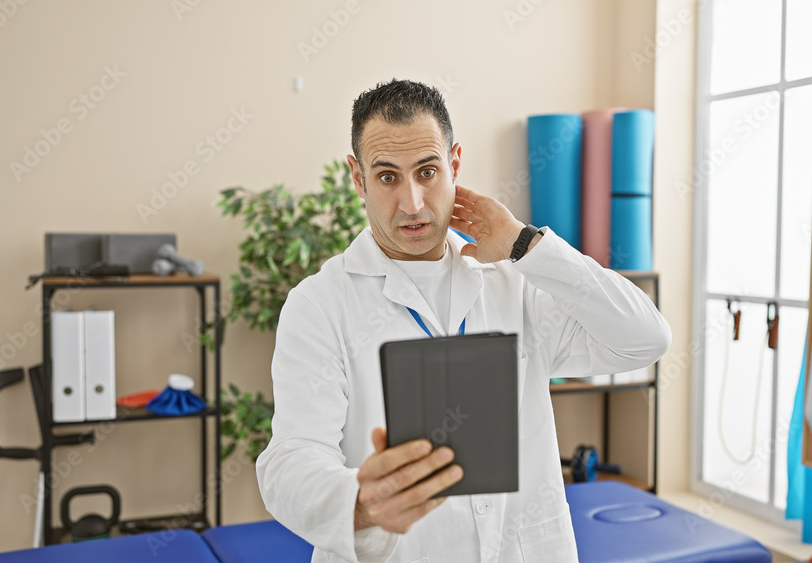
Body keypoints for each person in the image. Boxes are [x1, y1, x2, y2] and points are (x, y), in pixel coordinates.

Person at [256, 79, 671, 563]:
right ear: (358, 178)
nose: (411, 203)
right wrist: (358, 502)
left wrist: (527, 245)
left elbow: (645, 339)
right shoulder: (320, 303)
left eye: (427, 172)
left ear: (454, 164)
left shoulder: (515, 280)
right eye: (388, 176)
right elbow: (289, 460)